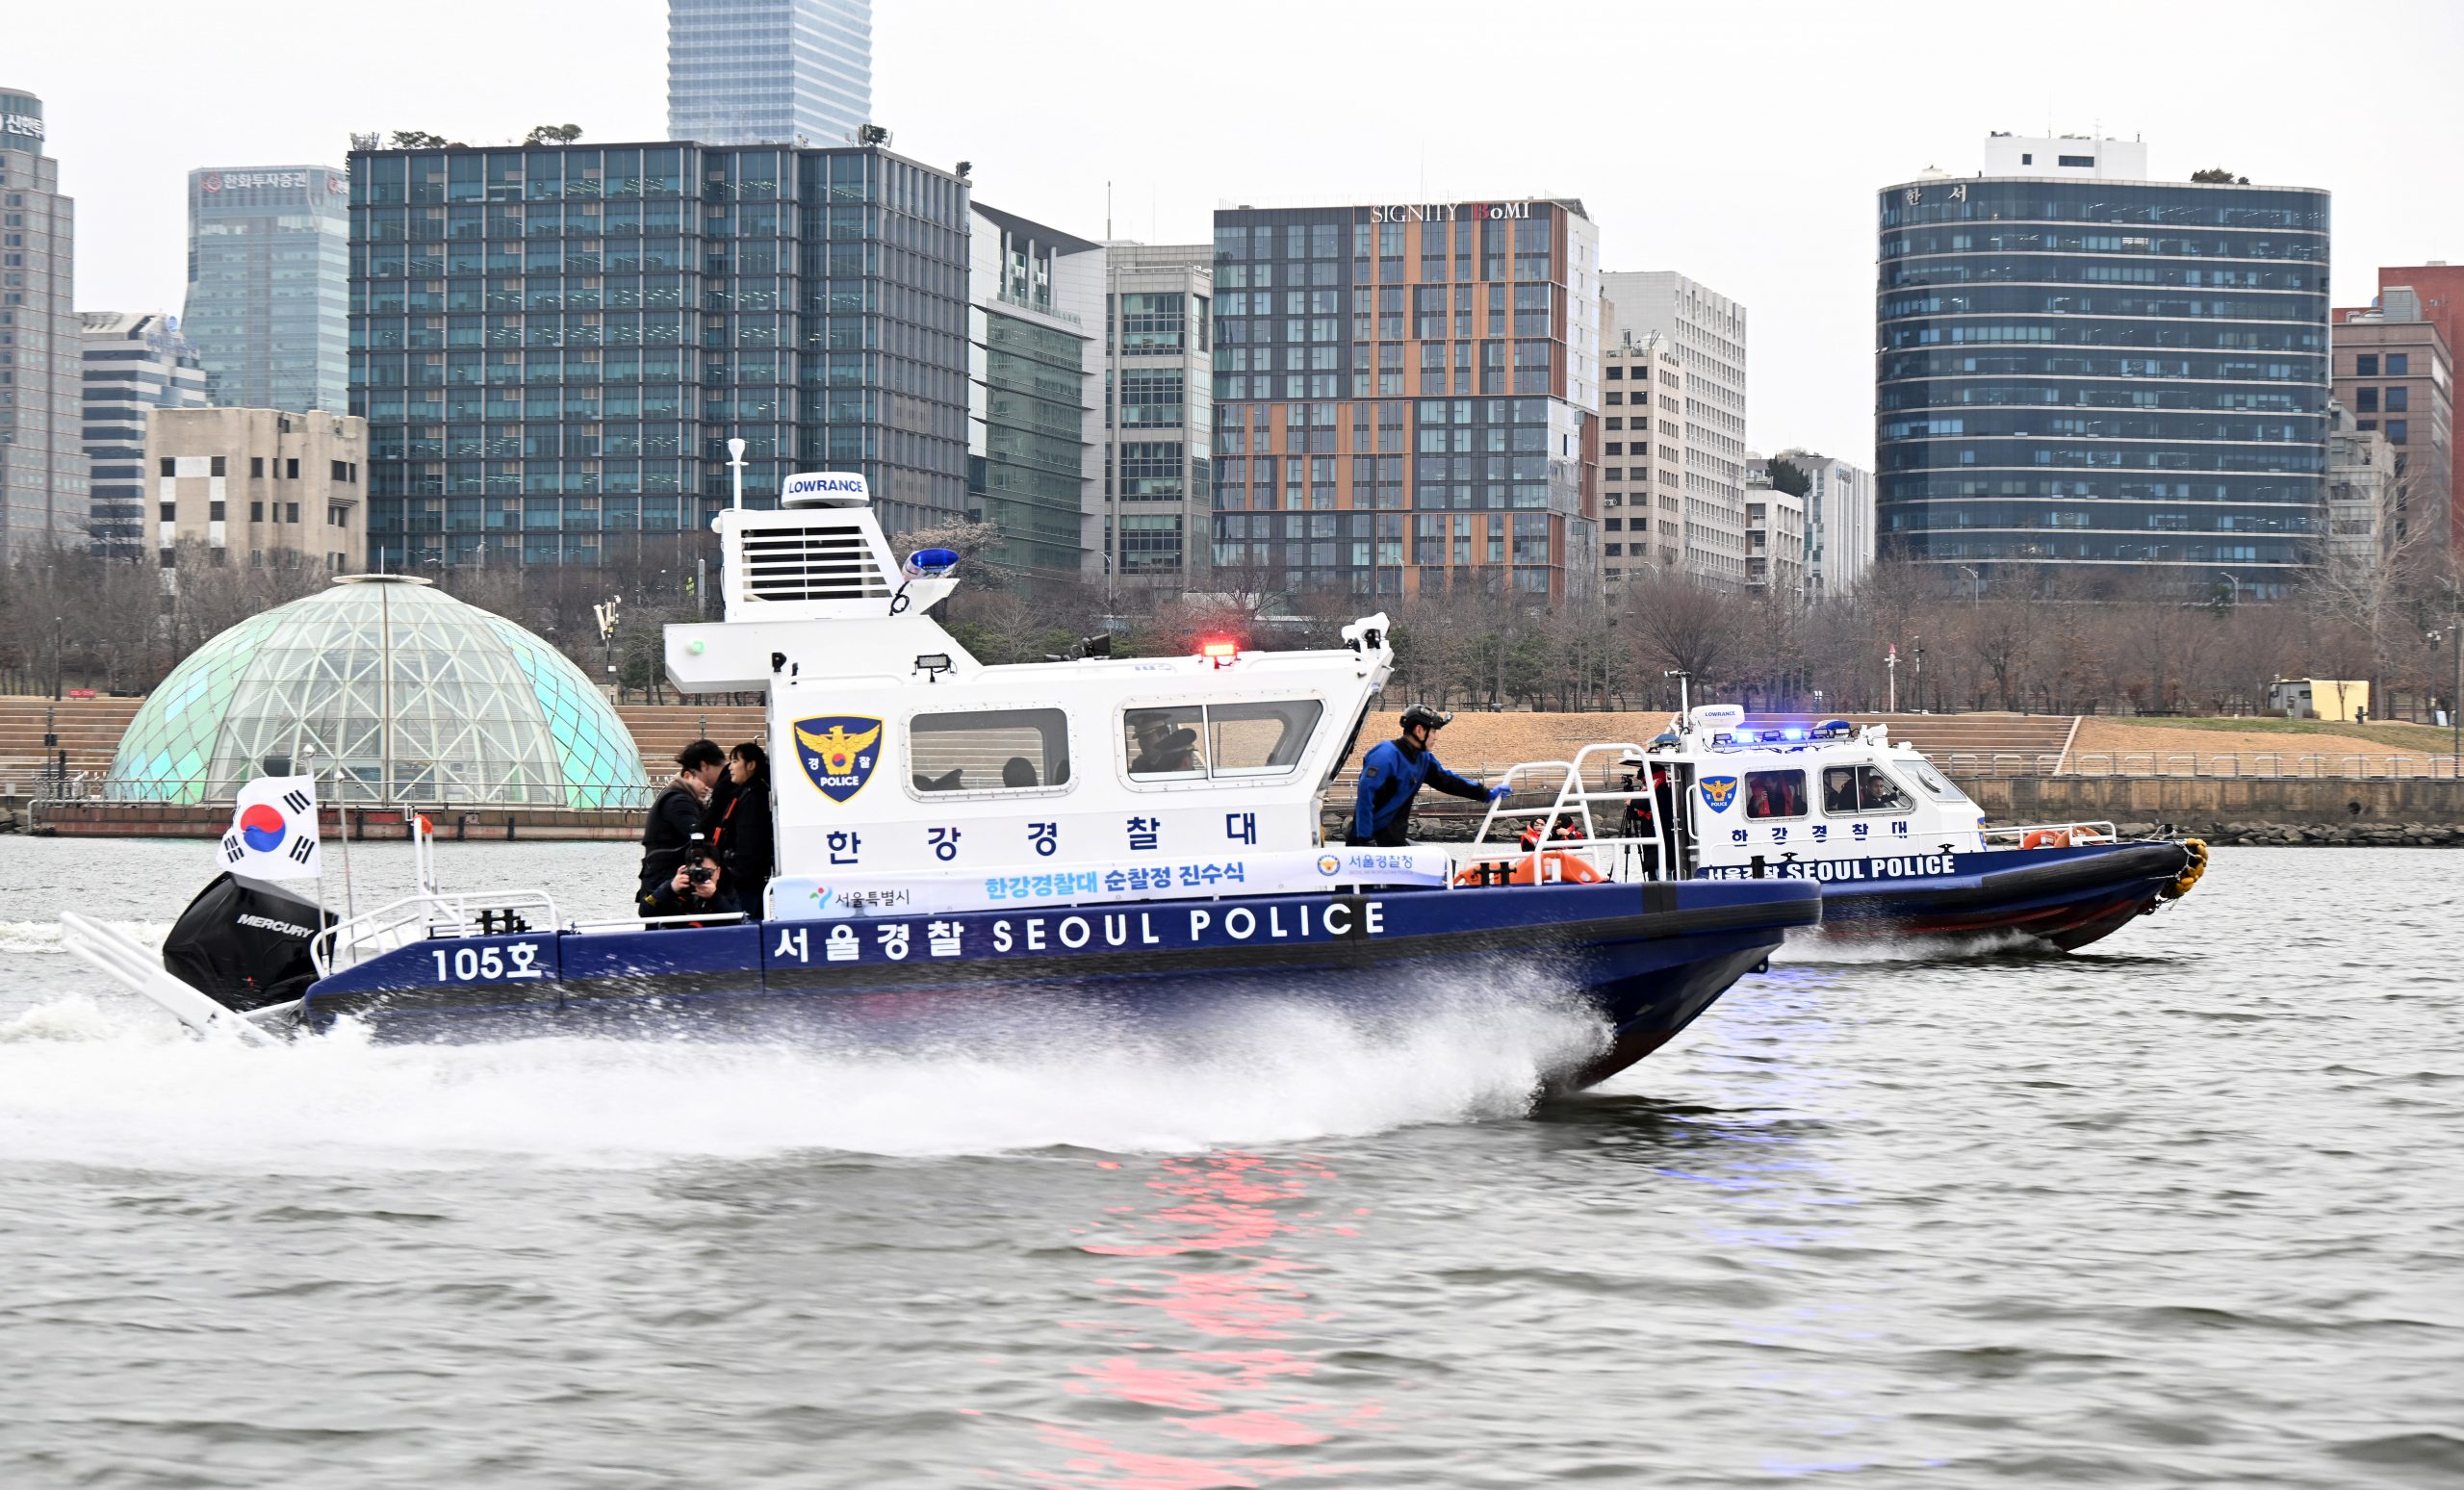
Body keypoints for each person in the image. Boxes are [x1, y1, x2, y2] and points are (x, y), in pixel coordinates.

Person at [1348, 705, 1509, 847]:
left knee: (1444, 866)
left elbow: (1447, 781)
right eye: (1433, 731)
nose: (1436, 737)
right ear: (1419, 730)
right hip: (1367, 841)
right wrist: (1365, 840)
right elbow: (1365, 797)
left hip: (1393, 841)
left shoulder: (1423, 758)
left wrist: (1485, 793)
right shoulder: (1385, 754)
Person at [639, 739, 724, 904]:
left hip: (660, 879)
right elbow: (698, 836)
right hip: (665, 880)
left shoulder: (675, 797)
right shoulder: (679, 801)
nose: (707, 787)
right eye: (701, 779)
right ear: (687, 776)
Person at [698, 741, 775, 917]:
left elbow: (749, 843)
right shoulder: (746, 792)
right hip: (744, 880)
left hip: (746, 884)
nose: (730, 767)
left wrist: (735, 875)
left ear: (751, 765)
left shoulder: (753, 797)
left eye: (735, 761)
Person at [639, 846, 742, 927]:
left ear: (718, 872)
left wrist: (715, 897)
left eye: (708, 872)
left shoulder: (726, 890)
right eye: (696, 872)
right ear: (687, 870)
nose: (701, 877)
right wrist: (669, 889)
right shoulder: (674, 888)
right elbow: (644, 910)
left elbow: (738, 923)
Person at [1127, 711, 1202, 775]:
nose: (1142, 743)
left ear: (1164, 737)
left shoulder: (1177, 760)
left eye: (1147, 738)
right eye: (1140, 739)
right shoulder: (1140, 763)